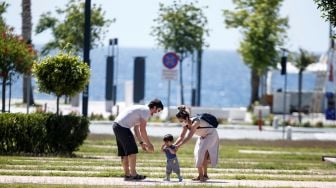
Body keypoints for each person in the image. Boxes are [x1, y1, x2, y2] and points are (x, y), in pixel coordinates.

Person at [112, 99, 164, 181]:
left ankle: (127, 174)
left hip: (116, 125)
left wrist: (142, 143)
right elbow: (142, 130)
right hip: (123, 127)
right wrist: (149, 144)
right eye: (158, 110)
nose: (156, 113)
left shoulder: (141, 110)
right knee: (132, 151)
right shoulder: (146, 111)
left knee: (124, 153)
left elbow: (136, 129)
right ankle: (133, 174)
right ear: (154, 107)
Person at [174, 106, 219, 182]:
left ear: (187, 118)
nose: (181, 123)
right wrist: (174, 145)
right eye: (180, 121)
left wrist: (178, 146)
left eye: (181, 121)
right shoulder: (185, 124)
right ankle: (204, 175)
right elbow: (181, 136)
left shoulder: (196, 122)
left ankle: (202, 177)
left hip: (211, 135)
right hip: (203, 136)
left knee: (200, 152)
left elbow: (188, 137)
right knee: (197, 153)